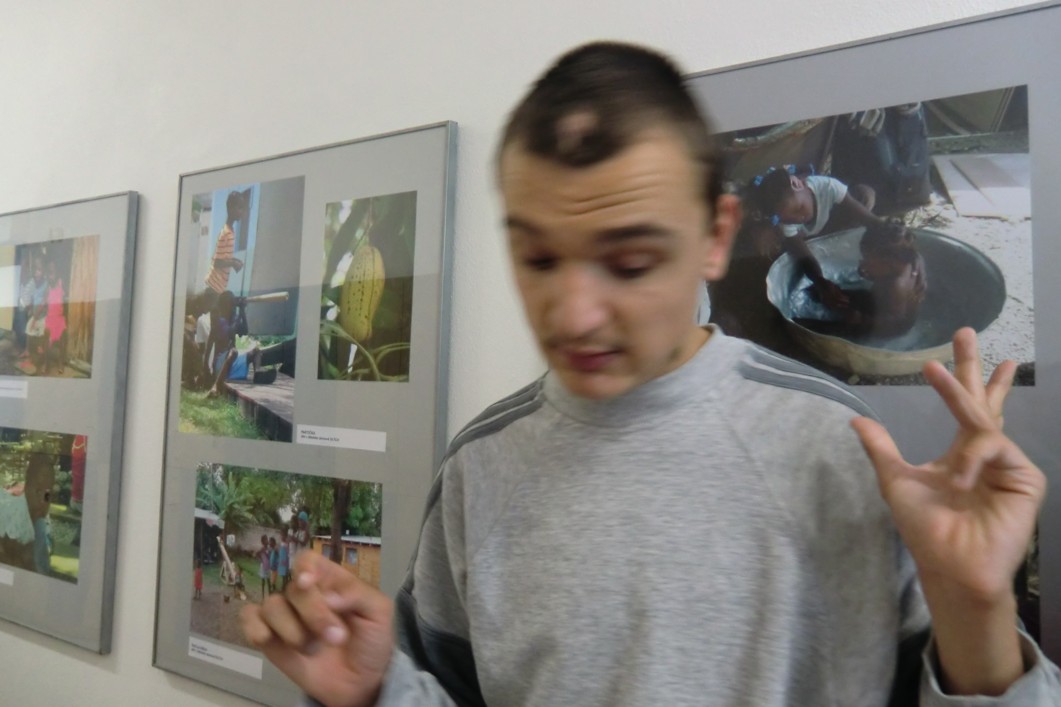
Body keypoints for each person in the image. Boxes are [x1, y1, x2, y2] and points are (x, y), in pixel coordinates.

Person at [241, 42, 1060, 706]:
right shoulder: (478, 467)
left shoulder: (836, 441)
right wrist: (377, 690)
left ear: (715, 236)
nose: (574, 313)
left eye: (629, 260)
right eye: (538, 258)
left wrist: (974, 604)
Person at [204, 189, 248, 298]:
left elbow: (224, 257)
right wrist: (233, 263)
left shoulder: (231, 231)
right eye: (239, 208)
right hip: (214, 286)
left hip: (218, 287)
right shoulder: (226, 233)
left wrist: (234, 261)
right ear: (231, 208)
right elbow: (217, 263)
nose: (241, 212)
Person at [257, 534, 272, 600]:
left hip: (268, 566)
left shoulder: (269, 548)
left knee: (268, 581)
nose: (267, 540)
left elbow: (270, 555)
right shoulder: (262, 549)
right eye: (265, 539)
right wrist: (261, 559)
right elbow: (257, 554)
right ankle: (263, 596)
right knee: (263, 581)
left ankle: (270, 595)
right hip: (263, 566)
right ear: (262, 542)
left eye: (267, 539)